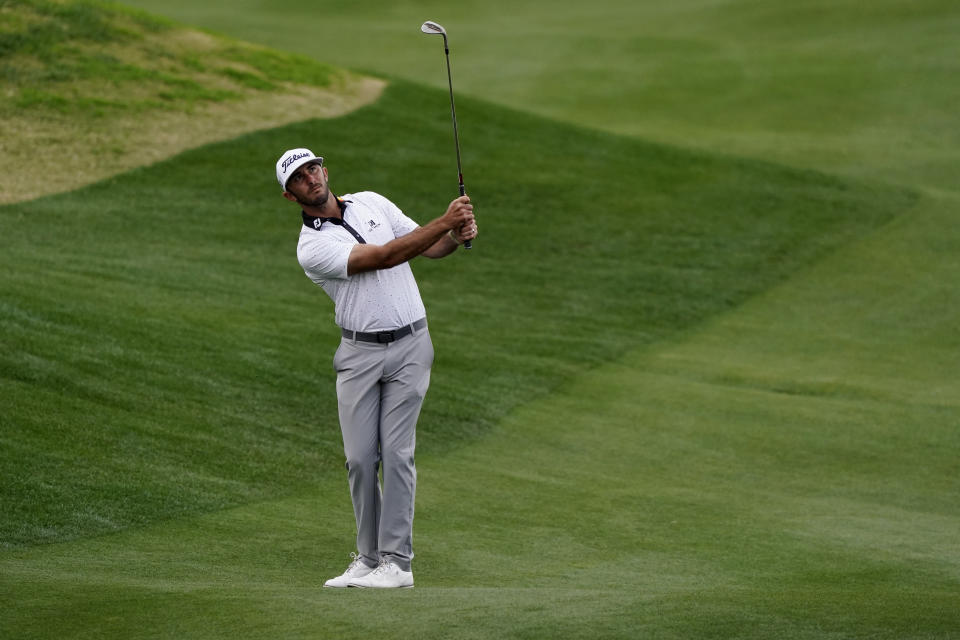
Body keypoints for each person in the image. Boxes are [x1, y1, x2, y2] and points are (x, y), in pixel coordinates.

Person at [275, 148, 478, 589]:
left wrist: (456, 235)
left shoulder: (371, 201)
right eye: (298, 178)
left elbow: (427, 247)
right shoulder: (312, 247)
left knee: (398, 452)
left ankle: (397, 563)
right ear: (291, 196)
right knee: (360, 460)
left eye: (313, 168)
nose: (310, 178)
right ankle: (368, 558)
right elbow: (385, 256)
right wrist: (444, 220)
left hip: (411, 345)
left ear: (325, 170)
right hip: (358, 354)